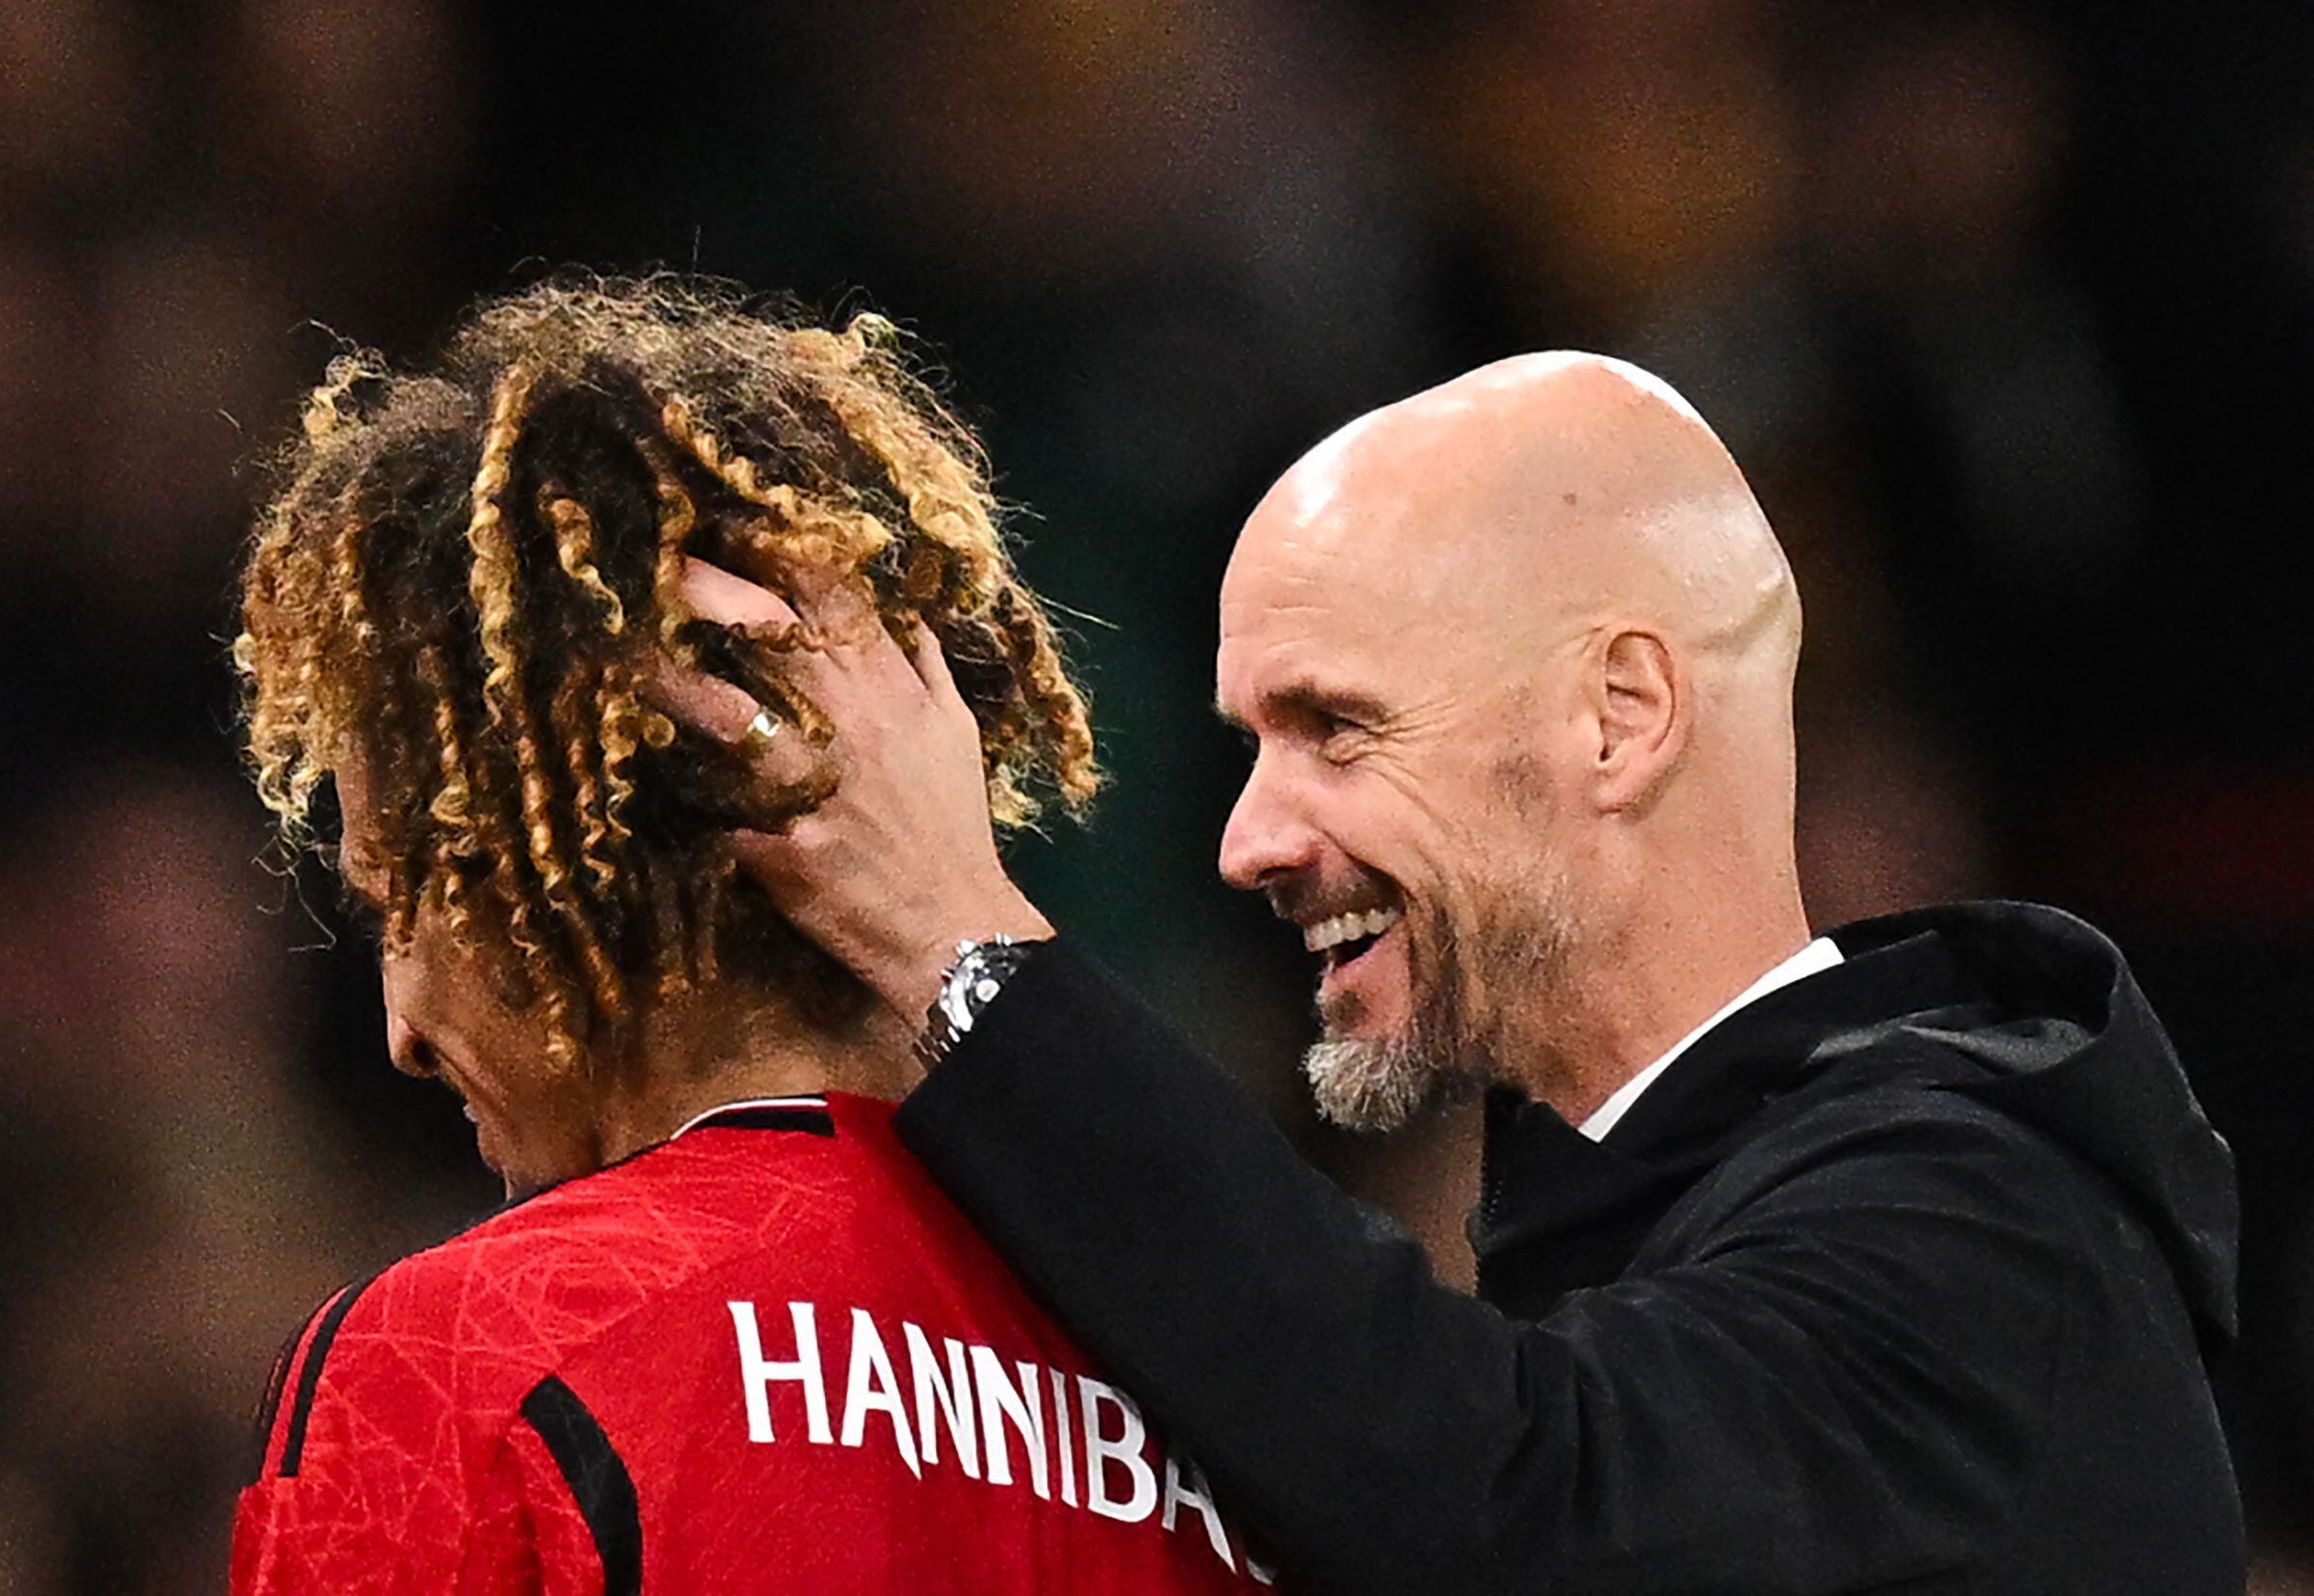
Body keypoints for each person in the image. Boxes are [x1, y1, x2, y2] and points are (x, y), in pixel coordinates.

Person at [663, 352, 2245, 1594]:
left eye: (1335, 728)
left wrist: (957, 943)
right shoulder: (1665, 1219)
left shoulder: (1987, 1225)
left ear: (1619, 717)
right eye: (1251, 746)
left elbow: (1513, 1507)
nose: (1250, 840)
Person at [226, 278, 1272, 1596]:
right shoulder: (1251, 1397)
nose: (402, 1030)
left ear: (554, 882)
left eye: (401, 907)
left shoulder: (464, 1361)